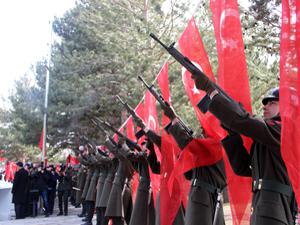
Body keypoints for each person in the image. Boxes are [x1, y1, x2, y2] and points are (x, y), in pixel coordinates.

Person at [192, 71, 298, 225]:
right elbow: (242, 167)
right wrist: (232, 134)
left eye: (272, 103)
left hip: (275, 210)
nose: (265, 107)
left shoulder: (284, 131)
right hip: (264, 208)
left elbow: (245, 121)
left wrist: (212, 91)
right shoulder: (270, 137)